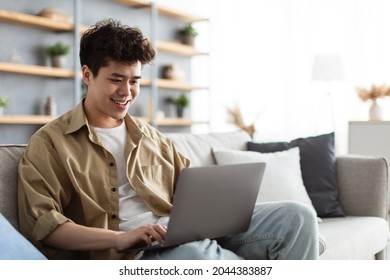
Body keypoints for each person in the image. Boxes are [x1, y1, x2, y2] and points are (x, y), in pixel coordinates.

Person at [18, 19, 319, 260]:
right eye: (115, 79)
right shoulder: (50, 143)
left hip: (178, 232)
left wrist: (211, 215)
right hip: (131, 253)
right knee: (195, 256)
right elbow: (45, 226)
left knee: (297, 216)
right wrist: (121, 237)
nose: (126, 92)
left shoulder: (152, 138)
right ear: (87, 74)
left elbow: (192, 195)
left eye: (134, 81)